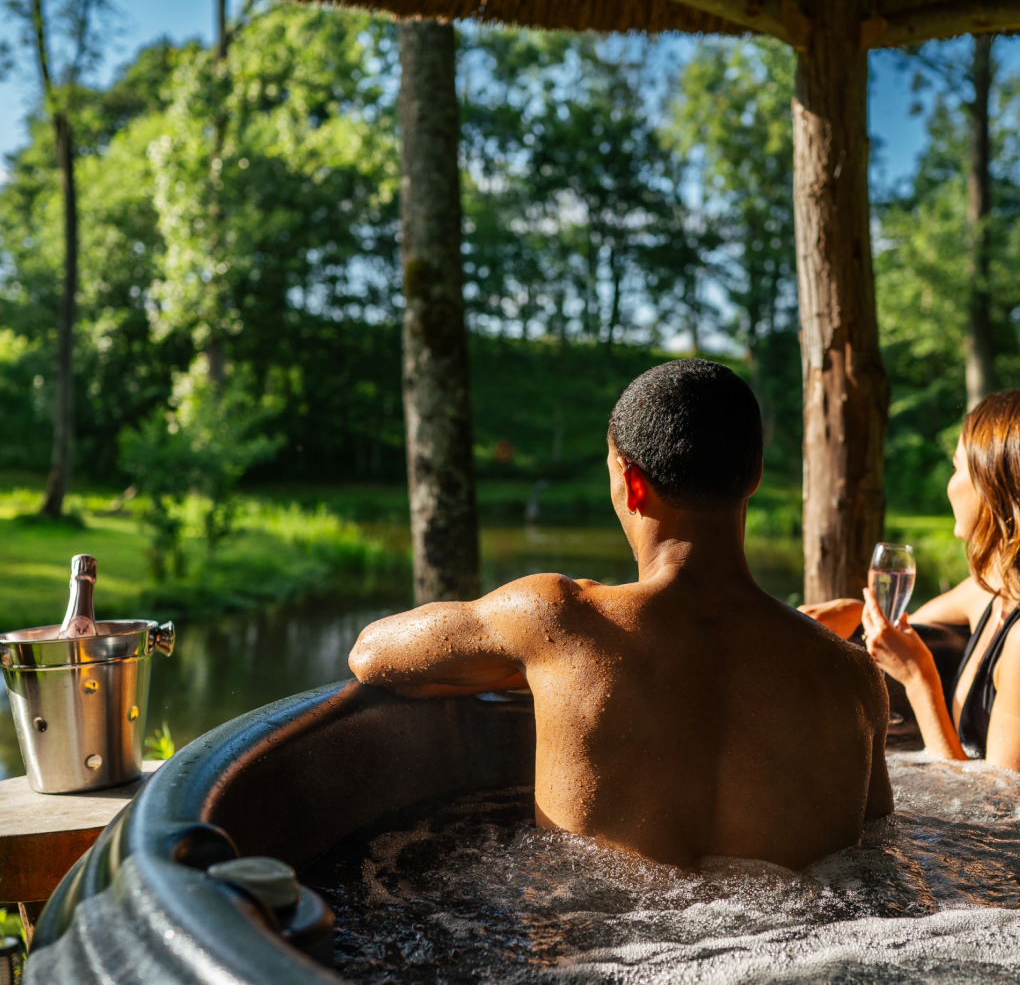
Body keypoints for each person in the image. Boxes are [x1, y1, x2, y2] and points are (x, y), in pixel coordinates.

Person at [349, 359, 892, 870]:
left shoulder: (556, 622)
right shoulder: (852, 676)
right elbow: (880, 848)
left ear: (632, 483)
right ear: (753, 477)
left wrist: (527, 664)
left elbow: (371, 653)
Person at [802, 389, 1020, 769]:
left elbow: (999, 805)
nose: (950, 484)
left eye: (956, 468)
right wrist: (856, 612)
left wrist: (919, 680)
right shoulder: (990, 590)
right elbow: (907, 626)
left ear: (991, 486)